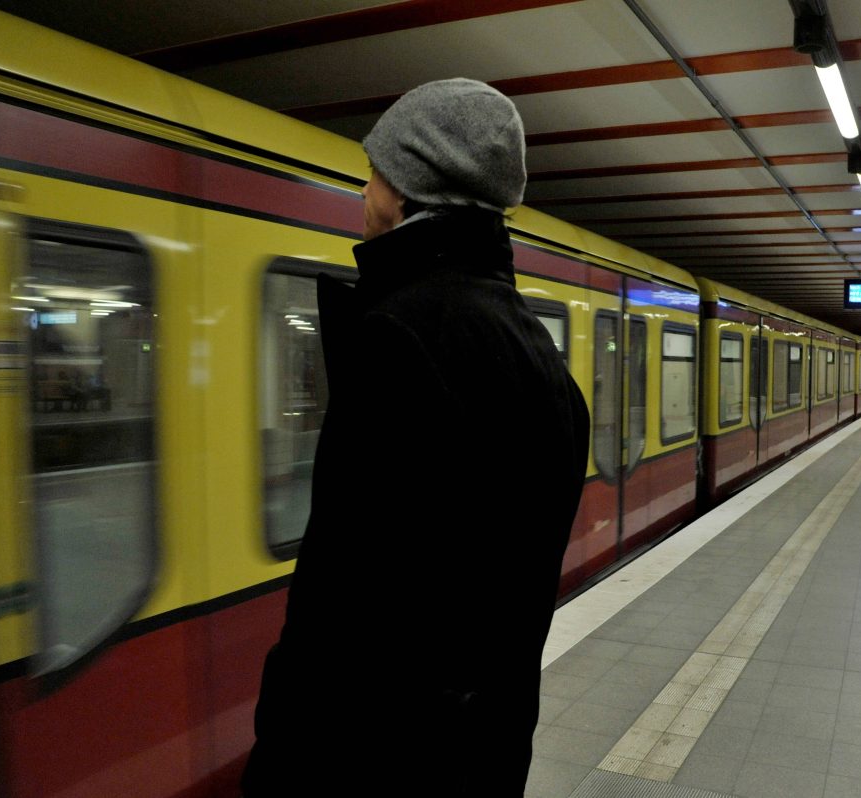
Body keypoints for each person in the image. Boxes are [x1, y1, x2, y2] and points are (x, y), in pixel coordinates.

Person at [242, 79, 591, 797]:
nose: (364, 194)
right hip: (487, 754)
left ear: (402, 191)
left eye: (372, 175)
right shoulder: (545, 362)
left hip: (384, 763)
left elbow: (341, 612)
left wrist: (277, 767)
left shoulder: (397, 340)